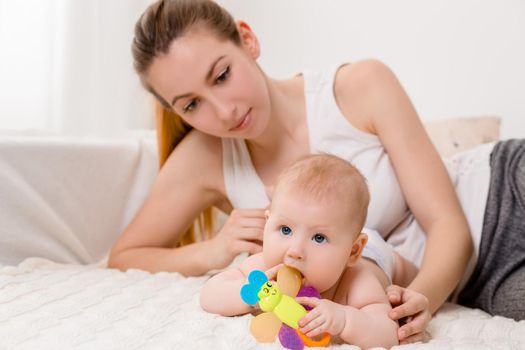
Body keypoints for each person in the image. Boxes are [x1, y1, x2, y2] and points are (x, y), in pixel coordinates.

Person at [108, 0, 525, 344]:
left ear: (248, 40)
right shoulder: (204, 157)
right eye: (191, 104)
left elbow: (447, 222)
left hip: (498, 190)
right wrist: (215, 250)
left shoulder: (358, 86)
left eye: (221, 75)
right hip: (473, 282)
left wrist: (420, 299)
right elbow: (125, 256)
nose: (223, 111)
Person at [201, 154, 415, 349]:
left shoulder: (356, 282)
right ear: (267, 224)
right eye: (285, 230)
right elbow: (210, 294)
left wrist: (345, 319)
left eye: (319, 238)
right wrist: (250, 295)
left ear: (352, 251)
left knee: (402, 274)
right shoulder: (263, 268)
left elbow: (387, 332)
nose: (295, 251)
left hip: (376, 254)